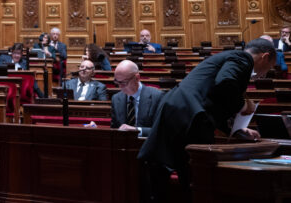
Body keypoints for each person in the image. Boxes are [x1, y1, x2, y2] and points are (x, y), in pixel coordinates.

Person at [138, 39, 276, 201]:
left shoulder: (231, 57)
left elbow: (215, 100)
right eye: (268, 68)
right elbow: (225, 83)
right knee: (199, 176)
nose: (263, 75)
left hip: (180, 110)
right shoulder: (243, 59)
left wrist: (236, 130)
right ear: (265, 57)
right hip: (192, 115)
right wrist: (244, 105)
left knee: (172, 173)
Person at [109, 60, 164, 138]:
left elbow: (161, 130)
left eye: (124, 82)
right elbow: (114, 129)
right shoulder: (116, 98)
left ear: (137, 78)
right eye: (117, 82)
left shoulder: (157, 97)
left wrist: (137, 130)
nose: (120, 87)